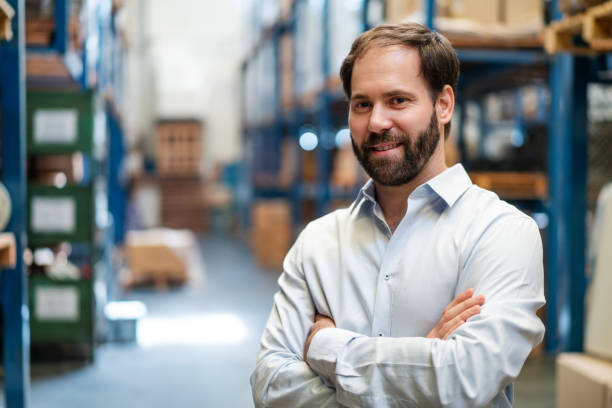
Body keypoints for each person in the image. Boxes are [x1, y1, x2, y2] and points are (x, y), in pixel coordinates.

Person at [251, 22, 545, 407]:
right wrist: (423, 361)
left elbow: (464, 379)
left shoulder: (500, 233)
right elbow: (270, 387)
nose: (376, 123)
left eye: (398, 101)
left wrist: (326, 345)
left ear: (443, 105)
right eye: (362, 104)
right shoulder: (318, 243)